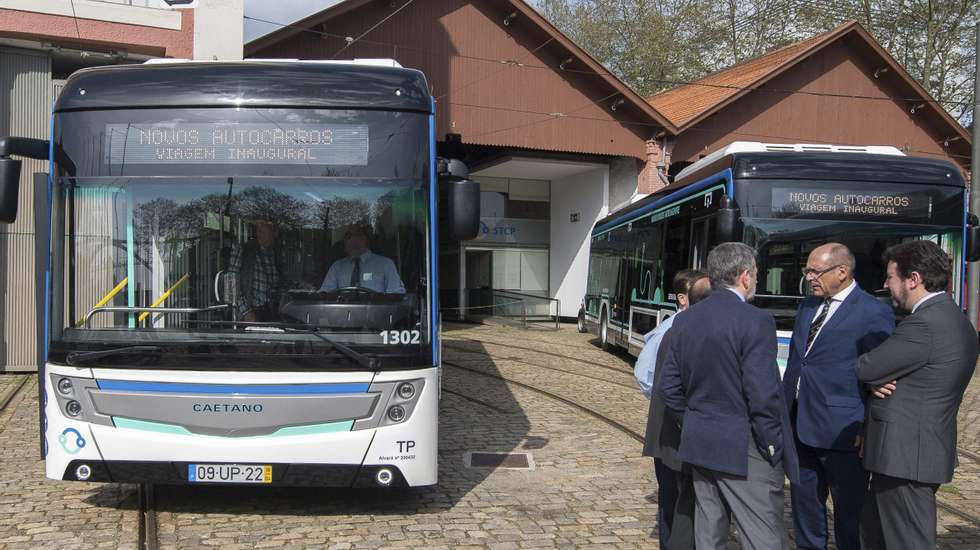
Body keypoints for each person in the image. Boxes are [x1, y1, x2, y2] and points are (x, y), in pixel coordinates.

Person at [659, 242, 798, 550]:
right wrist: (772, 443)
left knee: (709, 533)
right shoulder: (755, 320)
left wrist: (695, 419)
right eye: (758, 275)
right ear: (745, 276)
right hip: (746, 445)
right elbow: (761, 392)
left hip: (700, 442)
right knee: (762, 535)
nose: (757, 282)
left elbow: (668, 386)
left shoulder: (685, 319)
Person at [857, 240, 978, 550]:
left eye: (890, 277)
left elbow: (868, 367)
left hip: (905, 455)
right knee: (879, 536)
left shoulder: (924, 324)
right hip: (918, 450)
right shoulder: (954, 317)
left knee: (907, 540)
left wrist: (874, 378)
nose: (885, 284)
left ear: (913, 279)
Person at [782, 243, 894, 550]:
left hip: (844, 431)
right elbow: (799, 361)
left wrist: (866, 427)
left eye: (814, 271)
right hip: (798, 424)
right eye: (807, 271)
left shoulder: (873, 311)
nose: (809, 278)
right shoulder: (808, 306)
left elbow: (882, 376)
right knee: (805, 509)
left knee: (850, 515)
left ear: (842, 272)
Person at [639, 269, 710, 549]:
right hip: (673, 434)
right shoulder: (672, 329)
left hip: (674, 431)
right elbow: (646, 375)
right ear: (684, 298)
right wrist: (668, 410)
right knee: (675, 501)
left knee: (679, 502)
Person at [319, 223, 405, 294]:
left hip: (376, 314)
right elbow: (324, 295)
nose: (343, 240)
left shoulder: (386, 264)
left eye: (348, 236)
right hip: (342, 314)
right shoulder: (337, 267)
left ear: (362, 238)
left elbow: (395, 295)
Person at [228, 219, 282, 321]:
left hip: (272, 312)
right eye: (257, 227)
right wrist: (246, 312)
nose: (259, 231)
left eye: (263, 226)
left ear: (274, 232)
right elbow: (231, 282)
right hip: (250, 314)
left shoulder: (276, 254)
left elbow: (278, 284)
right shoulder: (242, 249)